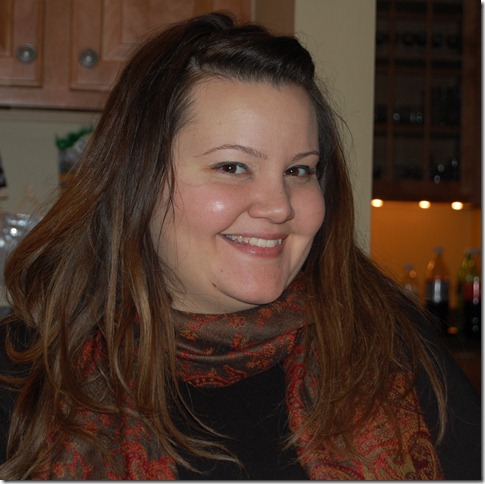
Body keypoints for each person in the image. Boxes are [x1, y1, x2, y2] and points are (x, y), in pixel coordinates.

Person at [0, 12, 480, 480]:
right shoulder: (20, 371)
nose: (279, 207)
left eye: (299, 170)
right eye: (232, 167)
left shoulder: (392, 345)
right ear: (137, 178)